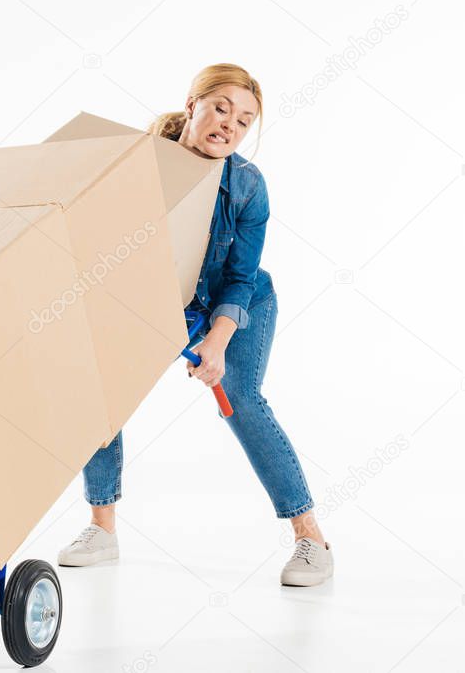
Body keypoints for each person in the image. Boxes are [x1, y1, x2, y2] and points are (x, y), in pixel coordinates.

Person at [57, 63, 333, 587]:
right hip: (157, 304)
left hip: (238, 300)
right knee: (101, 398)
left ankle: (310, 538)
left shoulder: (248, 184)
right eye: (222, 108)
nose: (230, 126)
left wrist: (218, 340)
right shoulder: (137, 164)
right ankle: (102, 529)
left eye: (245, 121)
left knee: (242, 401)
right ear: (192, 106)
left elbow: (242, 276)